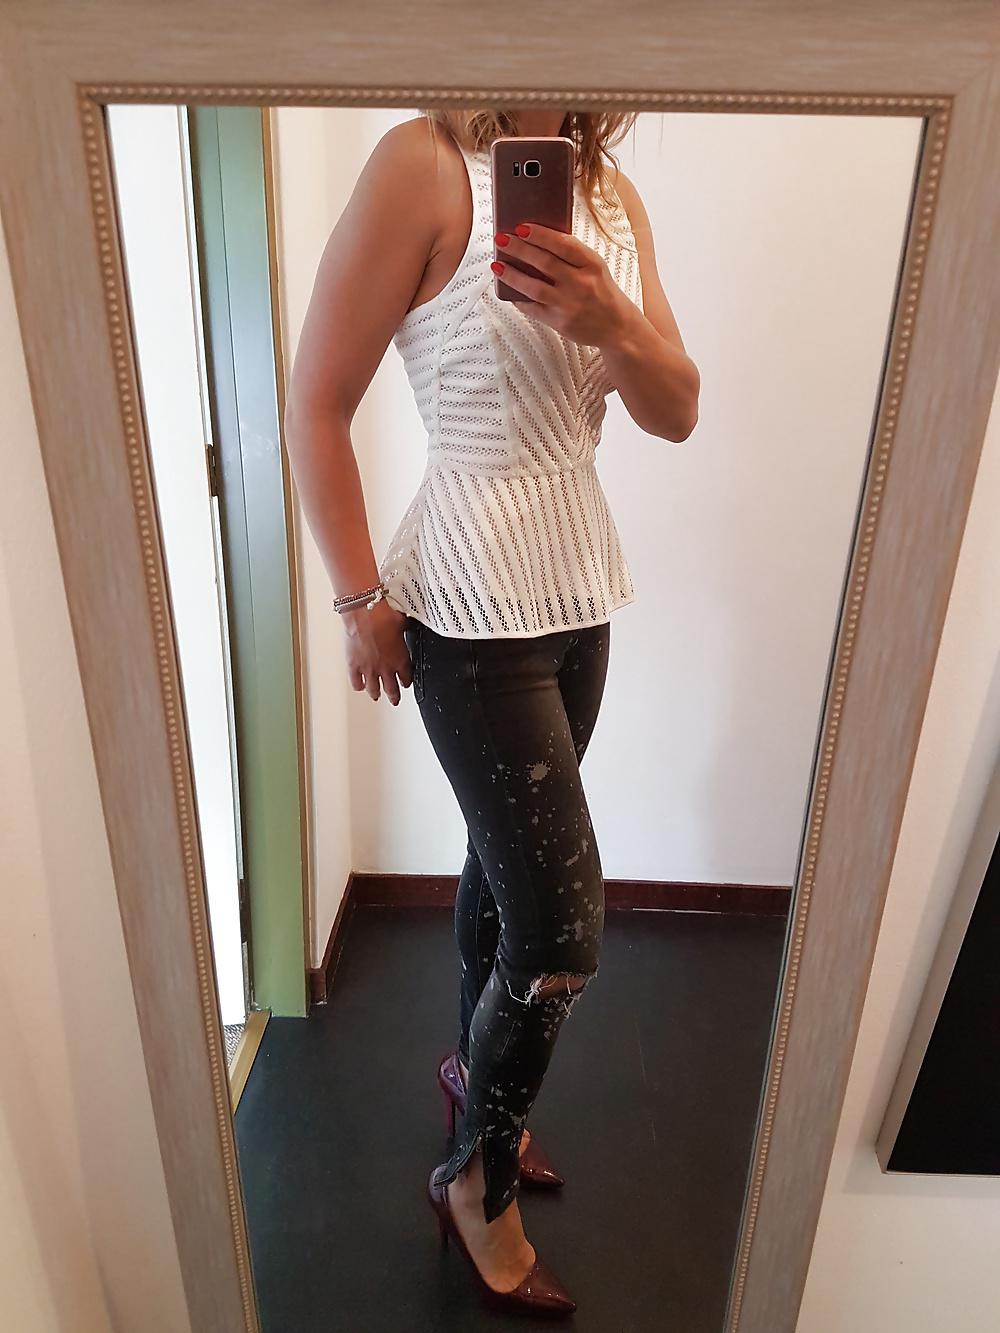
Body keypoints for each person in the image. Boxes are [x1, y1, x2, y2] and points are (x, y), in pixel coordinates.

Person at [284, 106, 699, 1317]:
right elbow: (316, 400)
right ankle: (476, 1179)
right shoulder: (421, 164)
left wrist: (611, 320)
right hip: (464, 609)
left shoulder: (607, 193)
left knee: (500, 869)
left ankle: (478, 1085)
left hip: (577, 593)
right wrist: (358, 598)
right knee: (562, 931)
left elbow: (675, 409)